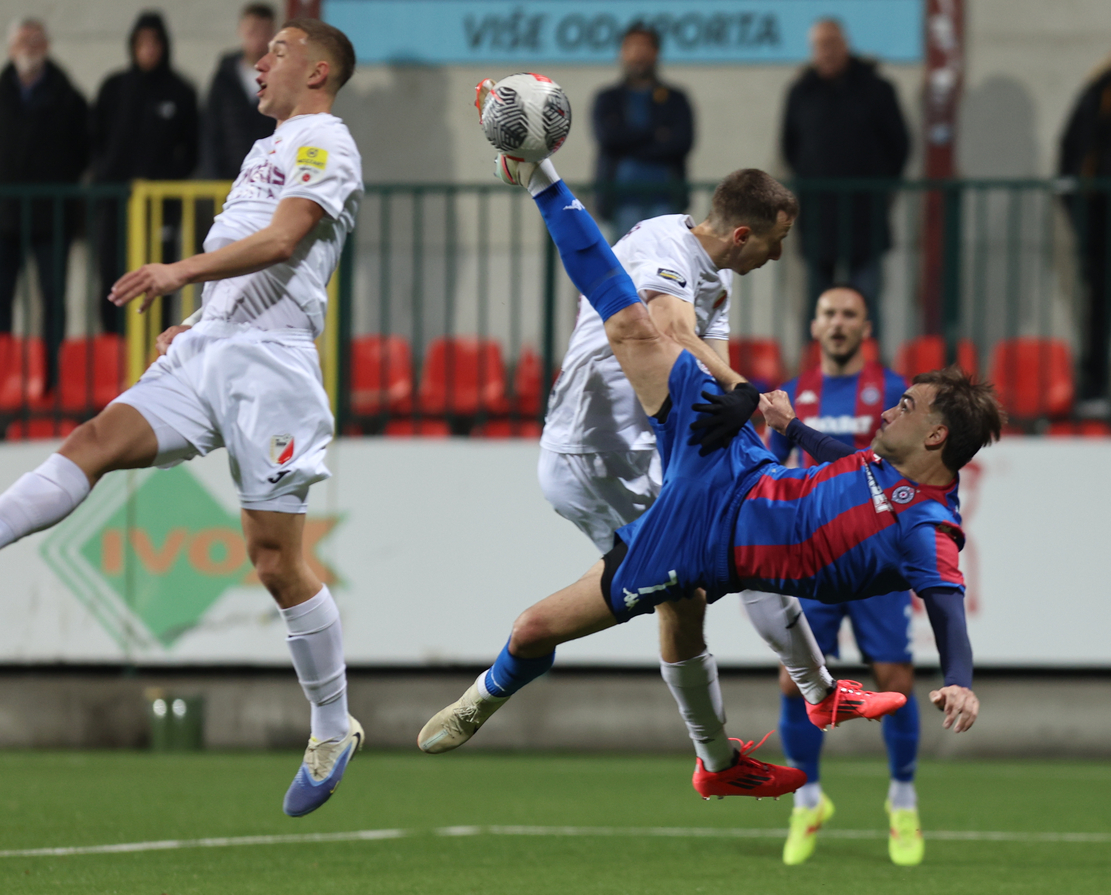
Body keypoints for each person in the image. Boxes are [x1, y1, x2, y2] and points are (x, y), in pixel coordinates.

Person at [418, 141, 998, 802]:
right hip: (730, 461)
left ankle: (494, 690)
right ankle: (541, 175)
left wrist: (960, 677)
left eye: (907, 405)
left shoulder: (928, 527)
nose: (891, 408)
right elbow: (849, 461)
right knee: (629, 326)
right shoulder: (886, 462)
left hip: (700, 543)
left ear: (937, 435)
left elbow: (948, 606)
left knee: (534, 628)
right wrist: (785, 427)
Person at [0, 19, 363, 819]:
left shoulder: (326, 138)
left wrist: (178, 271)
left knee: (274, 560)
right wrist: (197, 317)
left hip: (272, 368)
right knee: (94, 439)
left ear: (321, 71)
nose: (260, 61)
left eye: (280, 51)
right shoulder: (266, 148)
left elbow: (286, 238)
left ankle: (333, 725)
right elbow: (250, 251)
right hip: (211, 347)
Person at [536, 170, 903, 786]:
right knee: (684, 598)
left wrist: (737, 399)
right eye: (775, 241)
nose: (780, 254)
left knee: (748, 548)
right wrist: (745, 392)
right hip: (592, 457)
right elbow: (672, 331)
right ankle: (716, 759)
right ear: (740, 234)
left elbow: (708, 360)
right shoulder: (662, 247)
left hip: (650, 451)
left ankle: (814, 698)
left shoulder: (721, 276)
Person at [762, 286, 923, 866]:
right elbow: (773, 474)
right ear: (813, 324)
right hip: (811, 558)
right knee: (794, 682)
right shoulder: (791, 395)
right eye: (828, 312)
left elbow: (891, 470)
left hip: (878, 559)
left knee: (895, 677)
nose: (837, 323)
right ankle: (808, 801)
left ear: (866, 325)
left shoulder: (895, 392)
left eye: (849, 313)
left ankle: (901, 802)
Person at [0, 17, 89, 388]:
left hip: (52, 217)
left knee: (53, 300)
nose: (29, 46)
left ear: (47, 45)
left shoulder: (68, 96)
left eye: (36, 38)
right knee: (0, 298)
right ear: (10, 47)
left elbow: (81, 151)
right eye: (22, 39)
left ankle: (52, 383)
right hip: (4, 216)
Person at [781, 18, 909, 328]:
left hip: (865, 216)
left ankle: (870, 372)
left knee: (864, 304)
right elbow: (790, 147)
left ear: (845, 46)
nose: (826, 53)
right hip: (817, 218)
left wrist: (879, 188)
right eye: (820, 46)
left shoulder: (876, 89)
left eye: (832, 45)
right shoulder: (801, 92)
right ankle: (816, 373)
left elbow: (899, 145)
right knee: (819, 307)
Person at [92, 10, 200, 334]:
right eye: (142, 43)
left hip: (161, 209)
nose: (148, 49)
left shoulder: (181, 91)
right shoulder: (113, 88)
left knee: (159, 281)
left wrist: (161, 182)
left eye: (155, 42)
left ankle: (155, 356)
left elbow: (191, 151)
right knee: (113, 281)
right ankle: (113, 354)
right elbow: (94, 141)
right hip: (115, 208)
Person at [593, 23, 694, 239]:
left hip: (666, 200)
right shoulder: (608, 98)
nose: (638, 54)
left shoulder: (676, 99)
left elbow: (681, 142)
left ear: (656, 52)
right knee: (627, 266)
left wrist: (628, 142)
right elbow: (609, 138)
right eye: (632, 46)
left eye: (644, 46)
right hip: (621, 200)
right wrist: (655, 134)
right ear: (622, 52)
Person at [1059, 52, 1111, 419]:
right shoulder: (1099, 91)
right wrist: (1078, 213)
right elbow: (1071, 155)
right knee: (1100, 307)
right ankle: (1094, 389)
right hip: (1102, 222)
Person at [201, 3, 278, 180]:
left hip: (270, 180)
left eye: (264, 32)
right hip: (227, 180)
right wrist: (213, 176)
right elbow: (211, 129)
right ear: (241, 30)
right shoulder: (224, 77)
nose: (258, 39)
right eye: (252, 31)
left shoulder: (282, 78)